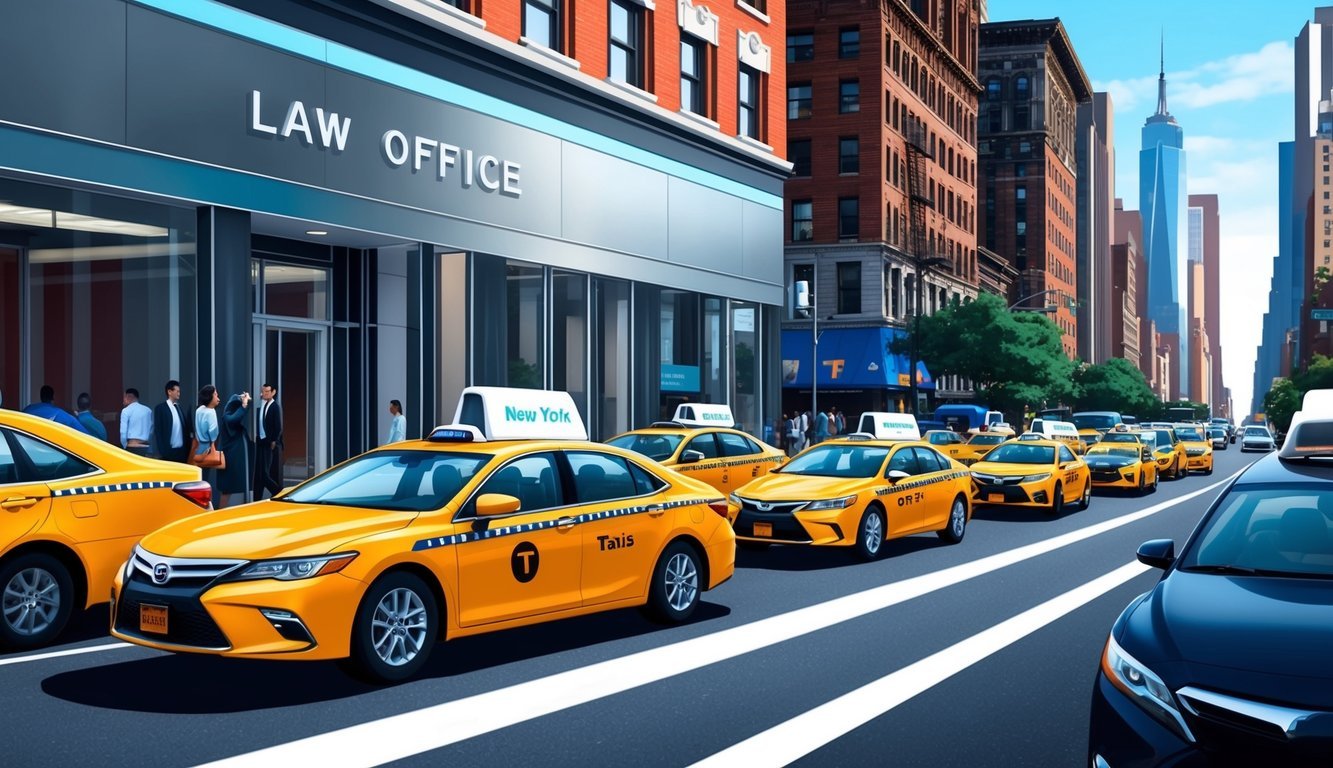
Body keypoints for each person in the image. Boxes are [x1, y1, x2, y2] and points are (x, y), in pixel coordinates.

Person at [216, 391, 253, 508]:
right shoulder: (227, 418)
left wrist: (245, 401)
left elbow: (241, 414)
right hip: (230, 460)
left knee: (231, 489)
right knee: (227, 490)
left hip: (233, 459)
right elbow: (235, 418)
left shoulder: (231, 419)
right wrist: (243, 405)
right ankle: (220, 514)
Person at [254, 383, 284, 499]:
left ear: (273, 392)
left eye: (267, 391)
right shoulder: (263, 405)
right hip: (261, 442)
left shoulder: (275, 407)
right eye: (263, 391)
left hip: (269, 444)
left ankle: (279, 493)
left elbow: (278, 427)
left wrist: (273, 441)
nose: (264, 393)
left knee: (264, 474)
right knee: (259, 474)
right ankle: (256, 499)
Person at [23, 385, 92, 435]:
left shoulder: (27, 410)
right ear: (53, 397)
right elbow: (86, 435)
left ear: (41, 396)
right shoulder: (62, 415)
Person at [153, 380, 192, 463]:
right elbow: (158, 430)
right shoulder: (161, 408)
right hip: (168, 452)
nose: (179, 393)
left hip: (182, 452)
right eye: (177, 391)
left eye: (179, 391)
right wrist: (163, 451)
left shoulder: (179, 408)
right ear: (169, 392)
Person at [195, 385, 222, 502]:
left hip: (199, 446)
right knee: (208, 480)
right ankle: (208, 503)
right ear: (210, 397)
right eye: (215, 394)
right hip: (209, 447)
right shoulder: (211, 412)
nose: (217, 397)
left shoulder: (199, 410)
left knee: (200, 478)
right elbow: (214, 432)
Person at [120, 388, 154, 456]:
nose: (123, 400)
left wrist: (125, 446)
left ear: (129, 397)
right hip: (146, 446)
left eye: (124, 397)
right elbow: (151, 430)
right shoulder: (148, 410)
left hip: (132, 446)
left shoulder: (126, 411)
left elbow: (123, 432)